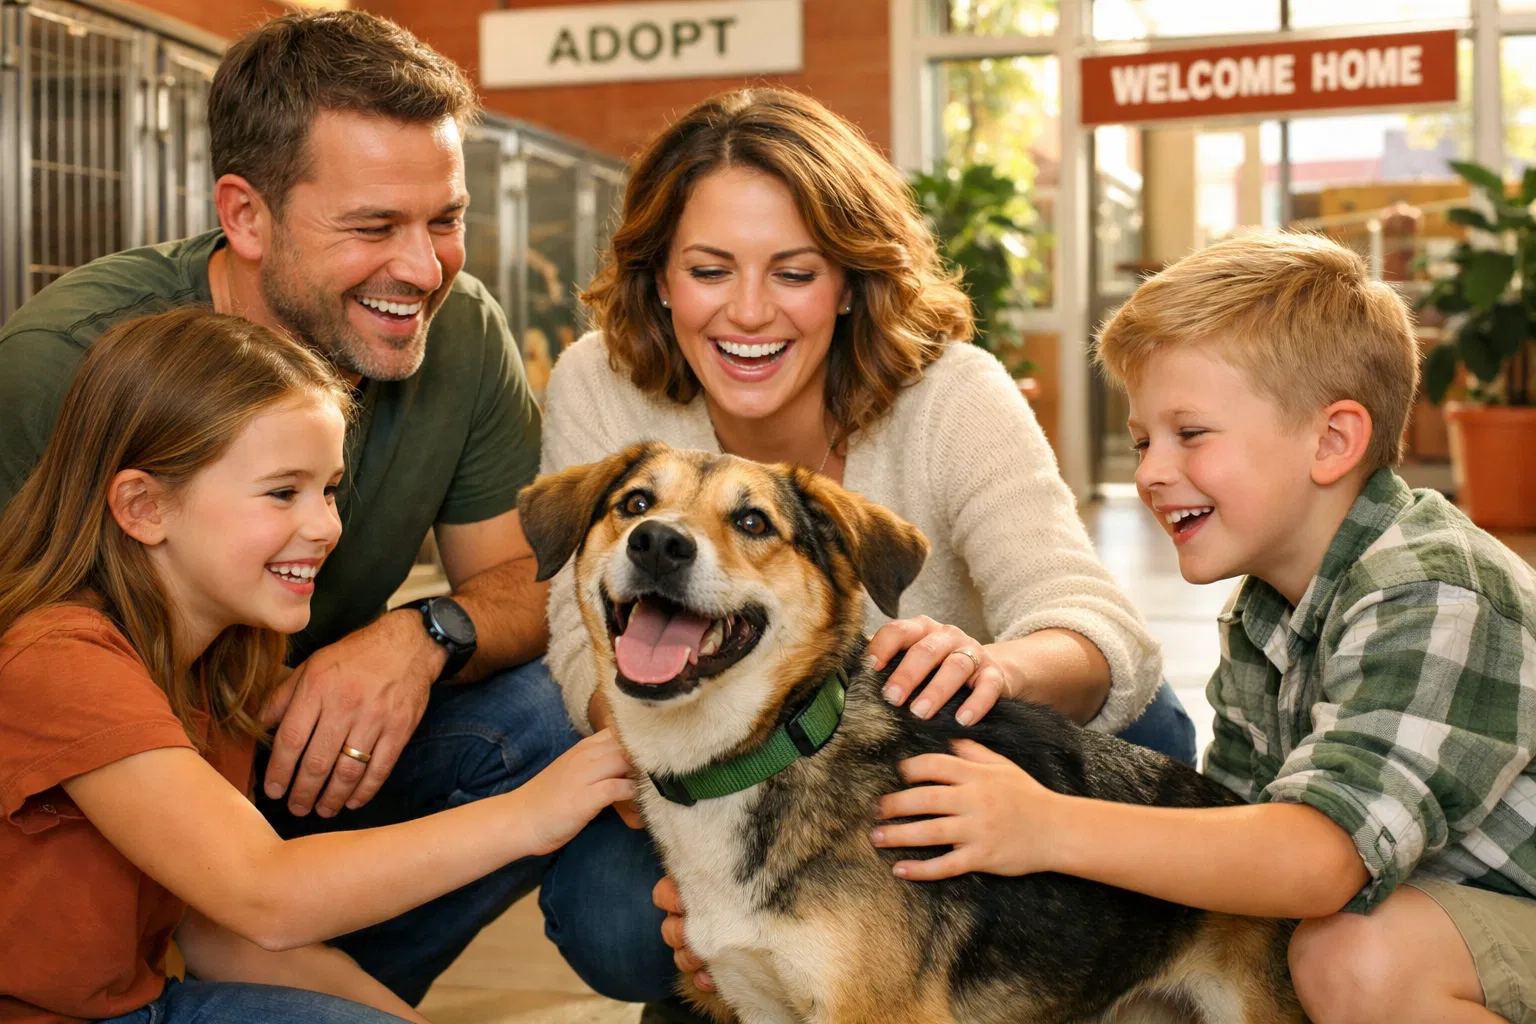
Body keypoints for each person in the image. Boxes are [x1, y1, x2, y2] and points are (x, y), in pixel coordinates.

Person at [0, 9, 630, 1005]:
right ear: (246, 216)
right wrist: (537, 813)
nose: (425, 269)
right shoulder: (66, 366)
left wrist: (419, 634)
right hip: (110, 818)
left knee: (545, 708)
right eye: (375, 225)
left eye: (446, 219)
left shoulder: (454, 329)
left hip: (265, 764)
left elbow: (535, 588)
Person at [539, 86, 1192, 1015]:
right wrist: (716, 859)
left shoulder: (953, 395)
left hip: (940, 749)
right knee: (616, 913)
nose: (751, 313)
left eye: (795, 273)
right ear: (658, 277)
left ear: (849, 281)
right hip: (703, 764)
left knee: (1150, 735)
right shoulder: (599, 383)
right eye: (710, 270)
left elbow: (1087, 616)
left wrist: (991, 666)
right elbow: (579, 641)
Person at [874, 232, 1536, 1024]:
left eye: (1190, 434)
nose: (1151, 470)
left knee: (1353, 957)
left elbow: (1315, 860)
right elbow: (1227, 836)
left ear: (1332, 441)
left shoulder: (1431, 590)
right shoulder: (1267, 608)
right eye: (1144, 439)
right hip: (1436, 914)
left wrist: (1043, 825)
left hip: (1487, 916)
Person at [0, 307, 634, 1023]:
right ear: (144, 507)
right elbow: (263, 895)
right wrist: (531, 814)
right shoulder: (57, 659)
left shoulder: (216, 659)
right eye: (283, 492)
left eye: (328, 490)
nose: (326, 526)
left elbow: (228, 939)